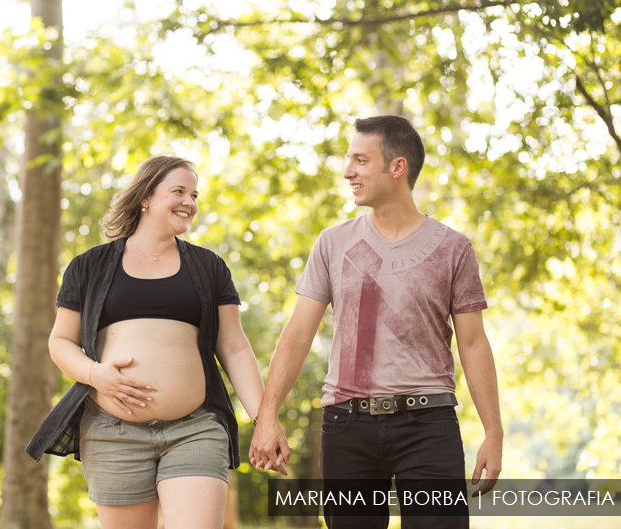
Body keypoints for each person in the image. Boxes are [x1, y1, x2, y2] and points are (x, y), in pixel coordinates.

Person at [249, 116, 503, 528]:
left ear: (397, 167)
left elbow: (473, 344)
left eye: (360, 160)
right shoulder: (333, 243)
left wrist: (494, 432)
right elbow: (297, 333)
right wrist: (268, 415)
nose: (348, 171)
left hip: (429, 426)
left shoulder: (453, 248)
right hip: (348, 426)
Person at [26, 156, 265, 529]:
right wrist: (95, 374)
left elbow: (234, 347)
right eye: (179, 192)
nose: (190, 202)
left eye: (195, 194)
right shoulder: (88, 266)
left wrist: (265, 419)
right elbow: (60, 342)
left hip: (194, 429)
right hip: (113, 433)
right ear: (145, 197)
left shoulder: (209, 266)